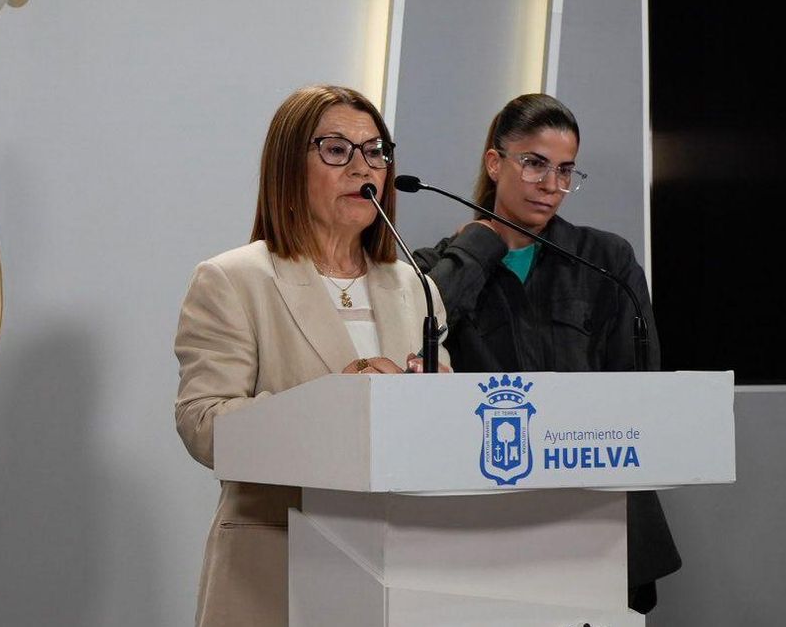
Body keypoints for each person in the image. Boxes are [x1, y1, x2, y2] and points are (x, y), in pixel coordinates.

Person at [174, 84, 449, 627]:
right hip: (277, 561)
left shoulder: (415, 285)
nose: (361, 167)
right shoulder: (234, 279)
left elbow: (441, 432)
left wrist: (436, 402)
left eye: (374, 151)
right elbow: (202, 424)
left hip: (401, 563)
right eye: (336, 150)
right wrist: (331, 401)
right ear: (288, 168)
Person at [411, 92, 679, 613]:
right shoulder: (435, 266)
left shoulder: (605, 259)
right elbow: (419, 333)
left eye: (565, 171)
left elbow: (641, 384)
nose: (551, 187)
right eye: (534, 164)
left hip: (601, 518)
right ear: (495, 163)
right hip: (492, 525)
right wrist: (482, 245)